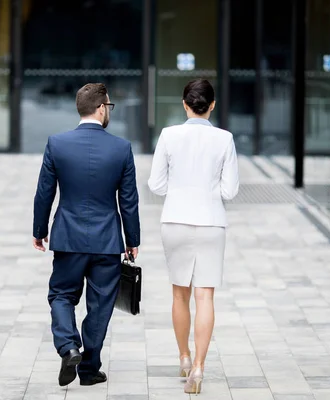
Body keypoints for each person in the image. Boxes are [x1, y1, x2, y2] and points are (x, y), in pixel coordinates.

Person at [32, 83, 141, 387]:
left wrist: (39, 231)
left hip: (68, 238)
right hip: (107, 241)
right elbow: (129, 201)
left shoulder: (57, 144)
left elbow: (44, 193)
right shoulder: (121, 148)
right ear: (101, 108)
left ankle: (68, 347)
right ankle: (90, 369)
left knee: (61, 295)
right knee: (100, 304)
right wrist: (132, 240)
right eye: (110, 106)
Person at [147, 79, 239, 394]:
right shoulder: (225, 139)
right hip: (212, 221)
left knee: (179, 294)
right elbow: (230, 190)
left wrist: (180, 190)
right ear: (212, 105)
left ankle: (184, 357)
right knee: (205, 297)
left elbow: (156, 185)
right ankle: (199, 367)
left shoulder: (169, 136)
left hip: (175, 219)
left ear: (185, 104)